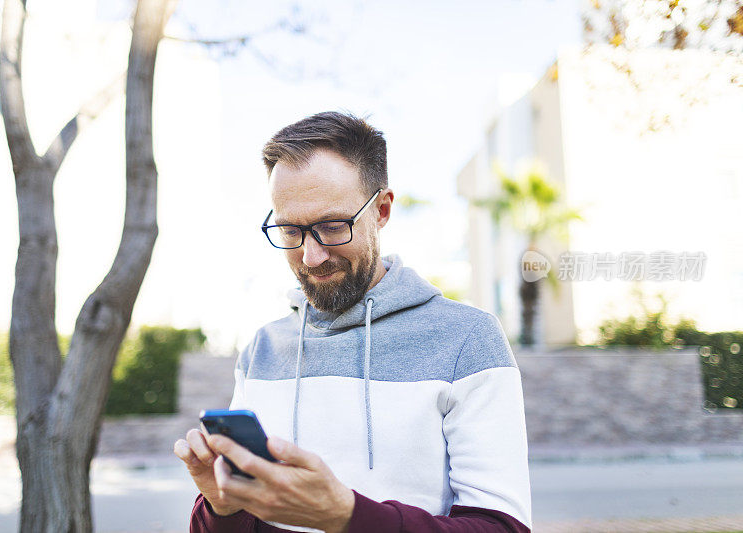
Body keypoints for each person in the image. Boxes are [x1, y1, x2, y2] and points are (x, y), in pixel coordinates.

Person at [174, 111, 532, 532]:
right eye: (290, 230)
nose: (311, 256)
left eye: (332, 226)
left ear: (381, 210)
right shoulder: (263, 348)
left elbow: (504, 528)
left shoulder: (467, 339)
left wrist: (346, 516)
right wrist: (221, 507)